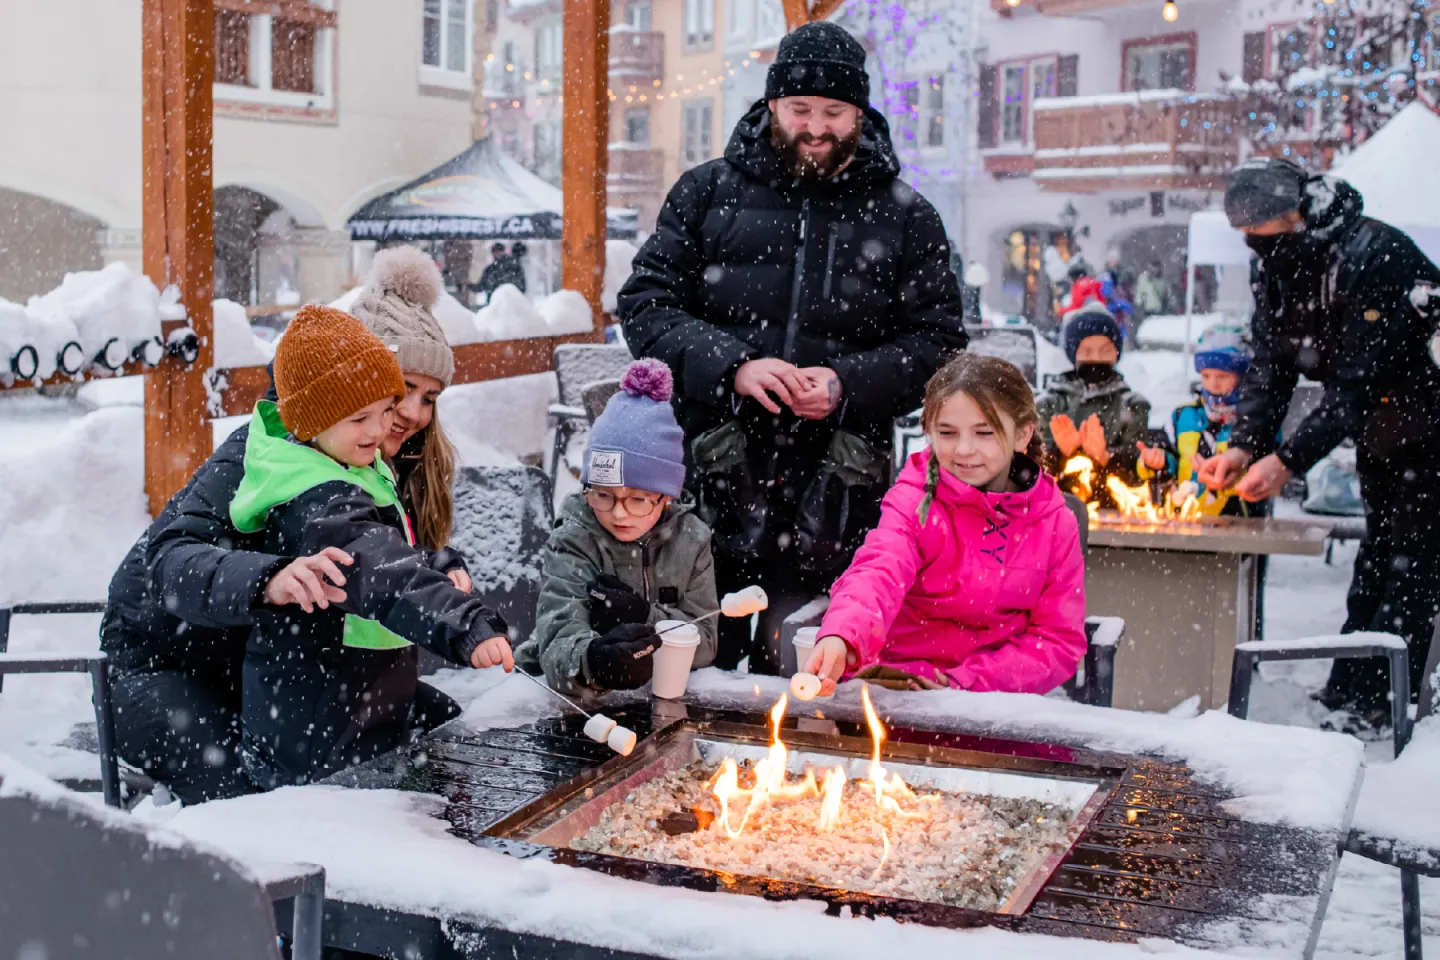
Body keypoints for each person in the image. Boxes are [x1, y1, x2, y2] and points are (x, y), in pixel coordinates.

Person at [617, 20, 968, 673]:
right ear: (772, 104)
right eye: (800, 109)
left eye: (834, 112)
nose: (816, 127)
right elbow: (645, 304)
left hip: (837, 493)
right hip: (708, 484)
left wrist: (845, 383)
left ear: (860, 114)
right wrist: (734, 367)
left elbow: (941, 342)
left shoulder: (906, 215)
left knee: (807, 680)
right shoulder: (705, 193)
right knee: (689, 671)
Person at [102, 247, 483, 804]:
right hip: (166, 662)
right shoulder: (264, 457)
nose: (412, 413)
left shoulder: (372, 456)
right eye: (401, 390)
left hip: (273, 663)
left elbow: (377, 559)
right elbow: (168, 563)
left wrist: (440, 569)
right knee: (259, 801)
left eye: (429, 397)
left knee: (438, 731)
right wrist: (267, 578)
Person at [1198, 157, 1440, 725]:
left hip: (1428, 424)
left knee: (1411, 569)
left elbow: (1360, 380)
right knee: (1379, 559)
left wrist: (1287, 461)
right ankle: (1351, 688)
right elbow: (1271, 364)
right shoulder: (1280, 266)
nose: (1251, 245)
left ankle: (1388, 704)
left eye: (1258, 232)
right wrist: (1245, 443)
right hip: (1383, 431)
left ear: (1296, 213)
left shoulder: (1374, 255)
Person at [229, 304, 512, 789]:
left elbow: (385, 548)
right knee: (351, 827)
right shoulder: (314, 495)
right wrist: (462, 623)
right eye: (361, 417)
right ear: (312, 422)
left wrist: (436, 562)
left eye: (385, 410)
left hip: (356, 694)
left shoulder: (345, 462)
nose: (382, 430)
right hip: (319, 722)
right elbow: (377, 568)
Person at [804, 353, 1086, 695]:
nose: (964, 449)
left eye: (984, 432)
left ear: (1022, 434)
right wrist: (843, 635)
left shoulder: (1055, 523)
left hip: (999, 703)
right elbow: (879, 570)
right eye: (947, 433)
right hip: (899, 690)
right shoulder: (915, 500)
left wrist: (964, 682)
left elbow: (1056, 640)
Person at [517, 359, 717, 693]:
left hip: (663, 696)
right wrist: (595, 661)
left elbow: (706, 642)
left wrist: (645, 618)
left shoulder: (691, 540)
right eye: (604, 495)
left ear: (666, 497)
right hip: (570, 699)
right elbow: (557, 639)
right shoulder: (575, 538)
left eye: (638, 499)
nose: (620, 514)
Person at [1138, 326, 1267, 518]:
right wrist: (1157, 460)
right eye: (1206, 376)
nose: (1213, 384)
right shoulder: (1183, 416)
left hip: (1240, 527)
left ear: (1242, 378)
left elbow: (1265, 473)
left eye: (1222, 376)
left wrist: (1231, 473)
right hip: (1184, 523)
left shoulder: (1254, 420)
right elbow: (1166, 455)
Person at [1035, 302, 1152, 505]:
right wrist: (1061, 454)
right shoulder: (1049, 404)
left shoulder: (1132, 405)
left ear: (1117, 353)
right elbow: (1033, 474)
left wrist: (1106, 457)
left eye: (1105, 351)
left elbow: (1140, 475)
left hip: (1115, 514)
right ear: (1073, 354)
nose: (1096, 359)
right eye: (1087, 352)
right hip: (1056, 512)